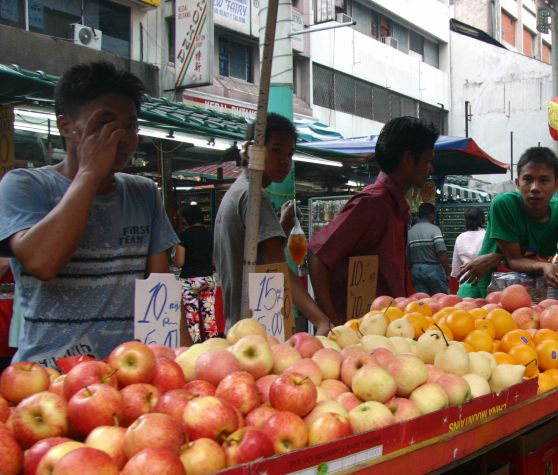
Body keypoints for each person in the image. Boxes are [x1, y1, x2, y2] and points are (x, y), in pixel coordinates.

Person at [0, 61, 178, 366]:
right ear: (65, 126)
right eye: (104, 124)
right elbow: (43, 262)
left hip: (126, 377)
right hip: (45, 381)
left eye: (130, 126)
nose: (121, 137)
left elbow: (160, 290)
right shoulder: (25, 185)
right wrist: (89, 173)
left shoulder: (144, 192)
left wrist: (180, 365)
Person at [309, 117, 439, 325]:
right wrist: (331, 320)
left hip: (388, 326)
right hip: (362, 334)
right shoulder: (372, 204)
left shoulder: (395, 206)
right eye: (427, 160)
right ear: (407, 159)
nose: (430, 168)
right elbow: (317, 255)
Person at [214, 113, 330, 335]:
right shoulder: (253, 196)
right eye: (276, 150)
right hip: (258, 329)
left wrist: (281, 228)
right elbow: (278, 266)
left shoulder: (236, 192)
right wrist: (320, 319)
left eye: (290, 153)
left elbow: (256, 253)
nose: (285, 160)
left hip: (240, 326)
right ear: (252, 150)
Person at [457, 147, 558, 298]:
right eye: (528, 179)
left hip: (532, 296)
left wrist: (499, 257)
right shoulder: (504, 205)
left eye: (544, 180)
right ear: (518, 183)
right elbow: (515, 259)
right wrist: (543, 265)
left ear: (557, 185)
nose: (535, 188)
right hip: (483, 290)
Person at [175, 205, 217, 343]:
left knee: (192, 319)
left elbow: (179, 262)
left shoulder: (183, 236)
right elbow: (214, 261)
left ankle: (195, 345)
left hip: (189, 280)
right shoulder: (210, 235)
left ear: (186, 219)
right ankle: (212, 343)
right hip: (208, 278)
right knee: (209, 316)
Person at [407, 203, 449, 295]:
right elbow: (441, 252)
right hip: (433, 270)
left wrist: (412, 271)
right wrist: (447, 272)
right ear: (431, 214)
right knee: (441, 299)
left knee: (423, 300)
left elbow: (408, 257)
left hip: (416, 270)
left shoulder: (410, 232)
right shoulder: (434, 229)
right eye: (434, 213)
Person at [451, 207, 486, 282]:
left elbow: (456, 269)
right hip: (485, 281)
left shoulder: (460, 238)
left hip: (465, 281)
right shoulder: (487, 236)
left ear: (466, 221)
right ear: (482, 220)